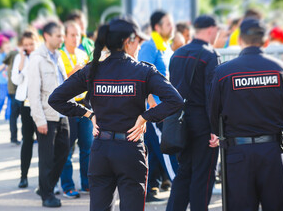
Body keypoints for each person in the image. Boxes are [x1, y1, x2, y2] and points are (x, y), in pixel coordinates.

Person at [48, 17, 184, 211]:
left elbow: (56, 99)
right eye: (138, 40)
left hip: (101, 151)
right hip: (130, 150)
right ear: (128, 41)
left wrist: (88, 114)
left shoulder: (93, 70)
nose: (139, 45)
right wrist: (146, 117)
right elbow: (176, 100)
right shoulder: (142, 71)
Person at [208, 18, 283, 211]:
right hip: (273, 152)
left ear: (239, 40)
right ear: (265, 42)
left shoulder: (223, 72)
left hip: (238, 154)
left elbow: (213, 114)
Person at [166, 15, 220, 211]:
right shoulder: (210, 55)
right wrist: (216, 129)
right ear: (211, 30)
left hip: (180, 122)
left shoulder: (177, 54)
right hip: (203, 124)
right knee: (203, 176)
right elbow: (211, 97)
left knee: (184, 172)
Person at [27, 22, 70, 208]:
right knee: (47, 158)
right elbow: (33, 93)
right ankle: (47, 195)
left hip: (62, 114)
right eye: (58, 36)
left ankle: (46, 186)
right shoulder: (37, 59)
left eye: (62, 35)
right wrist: (39, 119)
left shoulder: (58, 56)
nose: (62, 39)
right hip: (46, 116)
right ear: (47, 36)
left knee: (63, 153)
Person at [138, 10, 177, 202]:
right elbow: (142, 75)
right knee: (165, 147)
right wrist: (152, 103)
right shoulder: (149, 46)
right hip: (157, 108)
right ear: (157, 27)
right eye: (168, 24)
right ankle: (178, 183)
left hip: (167, 106)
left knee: (153, 149)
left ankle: (150, 187)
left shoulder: (165, 46)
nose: (172, 26)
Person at [59, 21, 93, 198]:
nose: (75, 38)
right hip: (69, 106)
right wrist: (75, 71)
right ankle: (67, 186)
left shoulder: (82, 53)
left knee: (87, 147)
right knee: (67, 149)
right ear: (64, 36)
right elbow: (61, 82)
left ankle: (86, 184)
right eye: (72, 35)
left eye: (78, 35)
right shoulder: (59, 55)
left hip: (85, 105)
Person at [11, 30, 39, 188]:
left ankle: (45, 179)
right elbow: (16, 79)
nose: (28, 47)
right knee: (27, 140)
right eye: (25, 45)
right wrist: (22, 59)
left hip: (41, 103)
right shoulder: (19, 58)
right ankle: (24, 176)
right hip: (25, 103)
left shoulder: (42, 56)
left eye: (31, 44)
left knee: (43, 142)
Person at [3, 41, 21, 145]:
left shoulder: (11, 56)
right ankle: (25, 137)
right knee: (23, 114)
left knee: (13, 115)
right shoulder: (17, 55)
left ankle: (13, 137)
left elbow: (4, 62)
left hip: (11, 89)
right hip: (17, 90)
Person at [0, 36, 12, 121]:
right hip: (2, 81)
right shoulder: (0, 57)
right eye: (5, 44)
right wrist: (5, 63)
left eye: (8, 44)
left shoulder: (11, 55)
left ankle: (8, 116)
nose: (7, 46)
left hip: (10, 81)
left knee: (10, 99)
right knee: (2, 98)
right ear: (1, 46)